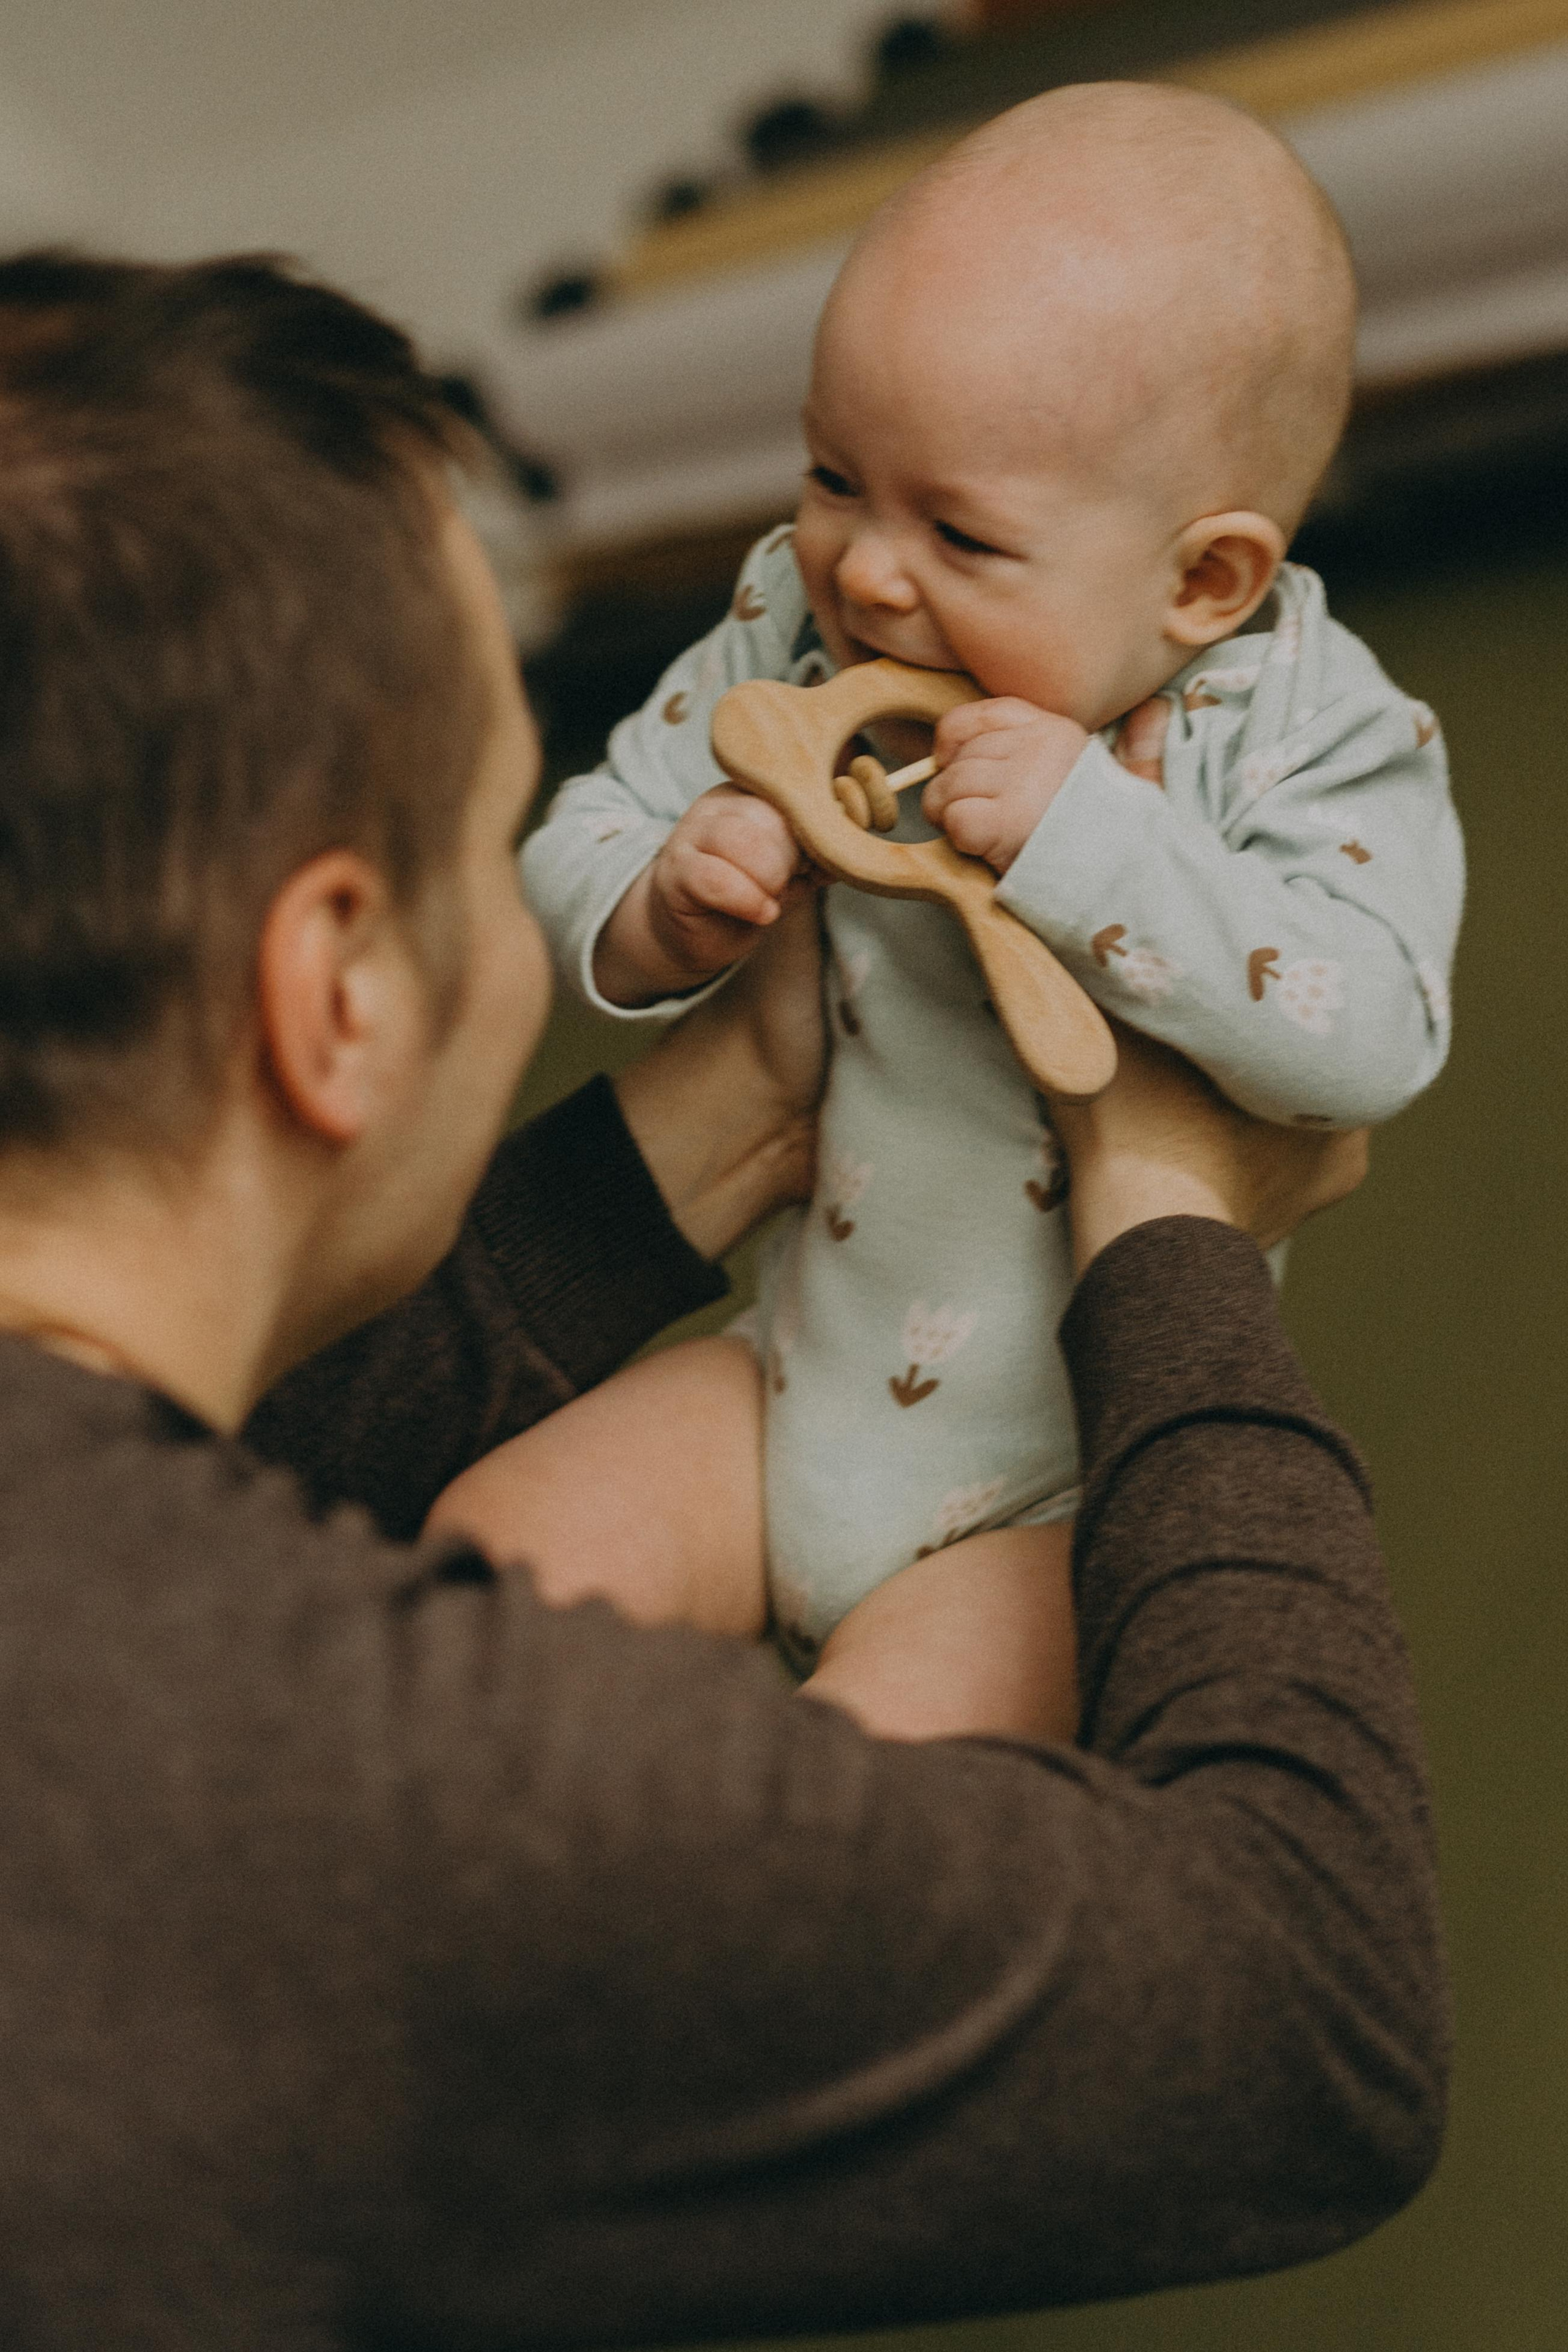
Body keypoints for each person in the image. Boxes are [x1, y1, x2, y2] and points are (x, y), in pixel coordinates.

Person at [0, 248, 1445, 2350]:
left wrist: (740, 1106)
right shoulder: (382, 1794)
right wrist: (1172, 1223)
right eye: (490, 823)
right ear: (337, 992)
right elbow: (1315, 2019)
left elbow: (169, 1517)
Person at [483, 81, 1464, 1743]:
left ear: (1201, 583)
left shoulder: (1307, 727)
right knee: (489, 1579)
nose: (864, 569)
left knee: (873, 1802)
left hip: (1043, 1501)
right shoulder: (787, 627)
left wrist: (1097, 847)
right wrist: (664, 908)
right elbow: (576, 834)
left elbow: (1369, 1034)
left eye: (963, 532)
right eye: (833, 474)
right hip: (780, 1382)